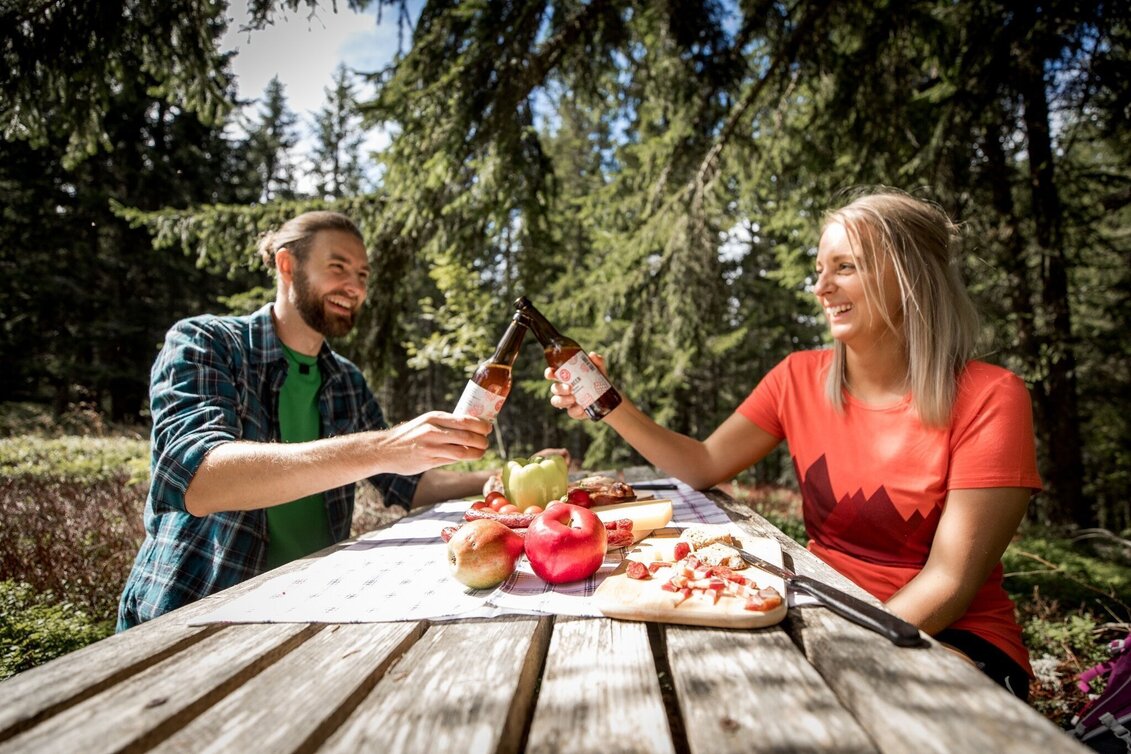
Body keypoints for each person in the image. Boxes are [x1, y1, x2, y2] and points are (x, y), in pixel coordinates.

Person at [546, 189, 1041, 700]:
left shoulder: (991, 397)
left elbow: (950, 582)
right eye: (820, 268)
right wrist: (608, 404)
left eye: (845, 267)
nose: (821, 287)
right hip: (819, 608)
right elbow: (704, 463)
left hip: (947, 636)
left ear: (909, 275)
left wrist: (843, 655)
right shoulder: (797, 378)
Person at [118, 211, 560, 630]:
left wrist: (506, 475)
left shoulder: (345, 379)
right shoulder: (206, 343)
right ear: (287, 265)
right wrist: (383, 448)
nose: (353, 286)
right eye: (338, 267)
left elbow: (408, 485)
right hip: (197, 612)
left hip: (307, 605)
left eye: (362, 276)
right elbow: (199, 480)